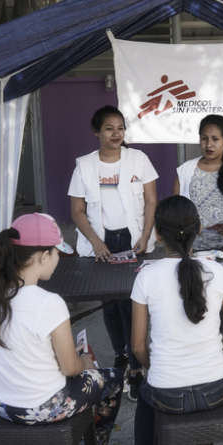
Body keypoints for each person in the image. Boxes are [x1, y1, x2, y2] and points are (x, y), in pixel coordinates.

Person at [0, 213, 128, 445]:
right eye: (56, 253)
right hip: (45, 405)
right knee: (112, 379)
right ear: (43, 256)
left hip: (3, 403)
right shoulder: (48, 302)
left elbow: (15, 346)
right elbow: (70, 368)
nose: (57, 259)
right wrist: (86, 364)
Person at [130, 196, 223, 445]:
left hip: (165, 393)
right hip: (216, 390)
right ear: (199, 229)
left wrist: (158, 369)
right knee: (155, 389)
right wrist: (217, 355)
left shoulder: (145, 277)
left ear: (158, 234)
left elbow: (136, 346)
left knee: (146, 397)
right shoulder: (217, 272)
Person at [69, 105, 158, 401]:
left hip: (132, 239)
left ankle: (135, 369)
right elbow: (77, 210)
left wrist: (146, 236)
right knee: (109, 303)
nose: (116, 133)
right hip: (102, 243)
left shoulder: (138, 159)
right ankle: (121, 355)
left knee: (132, 304)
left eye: (120, 127)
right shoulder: (84, 166)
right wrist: (95, 241)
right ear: (96, 132)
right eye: (109, 128)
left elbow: (151, 201)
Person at [173, 114, 223, 250]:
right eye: (204, 138)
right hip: (193, 248)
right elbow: (174, 209)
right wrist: (188, 225)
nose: (209, 144)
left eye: (215, 139)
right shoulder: (185, 170)